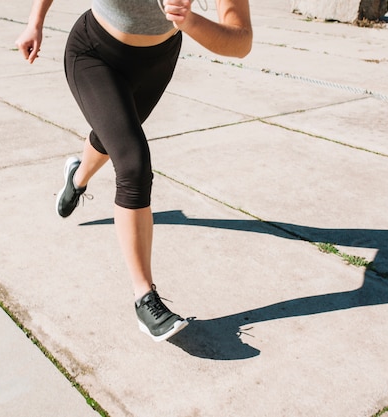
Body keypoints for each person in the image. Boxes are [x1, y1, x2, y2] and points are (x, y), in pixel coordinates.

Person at [15, 0, 252, 342]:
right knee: (133, 163)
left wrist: (188, 20)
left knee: (114, 136)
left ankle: (77, 178)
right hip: (93, 53)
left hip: (157, 61)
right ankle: (145, 298)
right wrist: (34, 22)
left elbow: (240, 40)